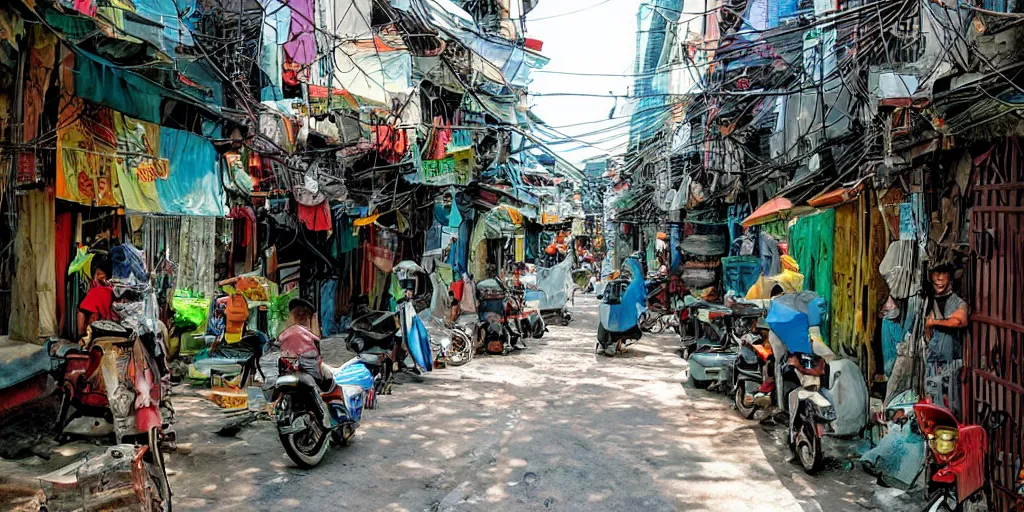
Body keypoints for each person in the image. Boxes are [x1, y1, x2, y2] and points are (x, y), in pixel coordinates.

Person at [924, 263, 968, 416]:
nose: (939, 278)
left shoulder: (958, 302)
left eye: (943, 274)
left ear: (950, 278)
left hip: (952, 364)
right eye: (936, 274)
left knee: (952, 406)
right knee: (933, 406)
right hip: (932, 364)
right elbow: (926, 331)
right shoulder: (930, 303)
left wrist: (934, 322)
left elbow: (958, 321)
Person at [278, 298, 334, 388]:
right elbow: (317, 340)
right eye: (298, 313)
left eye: (302, 313)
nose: (300, 315)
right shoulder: (304, 332)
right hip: (306, 370)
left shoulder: (284, 333)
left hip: (290, 369)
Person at [77, 255, 114, 339]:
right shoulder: (118, 290)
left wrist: (82, 335)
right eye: (95, 274)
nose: (95, 278)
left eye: (99, 274)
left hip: (97, 337)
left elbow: (81, 313)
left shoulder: (95, 292)